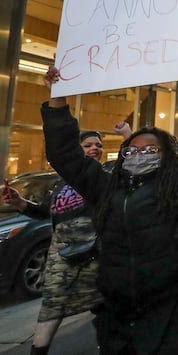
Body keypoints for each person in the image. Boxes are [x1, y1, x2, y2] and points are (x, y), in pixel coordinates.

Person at [40, 44, 178, 353]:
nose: (138, 154)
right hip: (117, 312)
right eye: (131, 150)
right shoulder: (107, 188)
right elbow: (64, 155)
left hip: (169, 311)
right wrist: (57, 97)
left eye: (150, 150)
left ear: (166, 157)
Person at [1, 130, 107, 355]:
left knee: (104, 303)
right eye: (88, 145)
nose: (94, 148)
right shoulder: (61, 184)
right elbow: (47, 212)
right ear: (78, 150)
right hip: (62, 256)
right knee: (52, 306)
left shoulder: (103, 178)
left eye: (98, 145)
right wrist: (20, 202)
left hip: (95, 255)